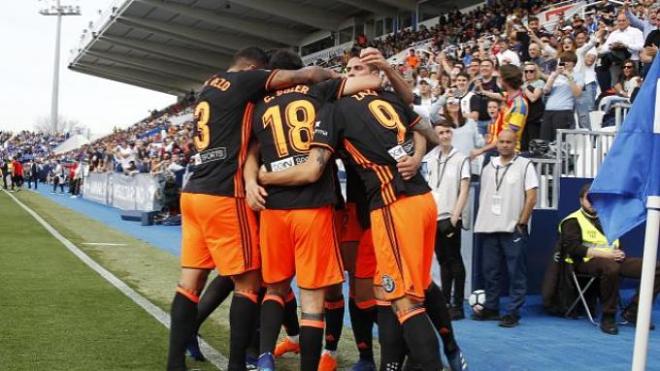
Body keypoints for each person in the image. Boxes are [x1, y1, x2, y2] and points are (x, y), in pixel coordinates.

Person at [258, 72, 469, 370]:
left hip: (390, 204)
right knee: (410, 288)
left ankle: (437, 355)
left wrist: (263, 176)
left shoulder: (333, 110)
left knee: (403, 301)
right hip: (419, 200)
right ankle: (397, 359)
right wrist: (416, 155)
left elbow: (311, 170)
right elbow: (431, 133)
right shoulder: (386, 98)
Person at [166, 46, 337, 371]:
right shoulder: (247, 82)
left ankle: (176, 361)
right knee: (251, 280)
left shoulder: (208, 86)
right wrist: (335, 77)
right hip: (226, 194)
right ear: (254, 69)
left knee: (192, 282)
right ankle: (241, 360)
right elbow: (309, 75)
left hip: (194, 192)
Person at [243, 49, 382, 371]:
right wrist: (335, 74)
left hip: (273, 207)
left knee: (275, 287)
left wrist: (254, 179)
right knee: (317, 295)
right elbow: (370, 81)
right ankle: (325, 355)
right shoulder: (318, 91)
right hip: (316, 207)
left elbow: (250, 150)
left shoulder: (259, 104)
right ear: (300, 71)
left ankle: (265, 357)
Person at [559, 183, 660, 335]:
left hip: (613, 259)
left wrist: (619, 253)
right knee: (611, 267)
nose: (593, 203)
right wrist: (607, 255)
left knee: (655, 267)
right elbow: (572, 249)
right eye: (589, 199)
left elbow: (616, 244)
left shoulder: (608, 219)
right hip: (584, 263)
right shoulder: (572, 221)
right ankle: (608, 316)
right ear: (581, 200)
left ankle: (634, 311)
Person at [473, 130, 538, 328]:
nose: (505, 145)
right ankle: (491, 308)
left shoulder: (525, 165)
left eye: (509, 142)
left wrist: (522, 222)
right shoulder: (488, 166)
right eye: (501, 141)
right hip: (488, 226)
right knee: (490, 271)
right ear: (497, 143)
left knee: (516, 272)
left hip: (513, 228)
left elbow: (532, 196)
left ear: (515, 143)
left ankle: (513, 311)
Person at [427, 121, 471, 320]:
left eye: (447, 132)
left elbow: (464, 189)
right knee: (442, 260)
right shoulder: (429, 158)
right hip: (433, 216)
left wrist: (455, 216)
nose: (444, 136)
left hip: (450, 217)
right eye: (441, 133)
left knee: (455, 260)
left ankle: (458, 304)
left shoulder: (461, 159)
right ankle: (444, 301)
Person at [470, 64, 528, 161]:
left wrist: (481, 150)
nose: (498, 80)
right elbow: (497, 95)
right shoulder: (509, 96)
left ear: (506, 80)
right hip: (497, 149)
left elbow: (507, 136)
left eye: (500, 77)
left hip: (506, 152)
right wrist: (482, 91)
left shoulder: (519, 105)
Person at [541, 51, 583, 141]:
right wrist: (554, 76)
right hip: (549, 110)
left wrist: (569, 76)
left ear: (574, 63)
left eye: (569, 61)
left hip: (564, 110)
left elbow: (577, 93)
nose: (566, 63)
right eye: (563, 60)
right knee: (545, 140)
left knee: (559, 141)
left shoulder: (578, 76)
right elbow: (545, 91)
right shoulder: (555, 75)